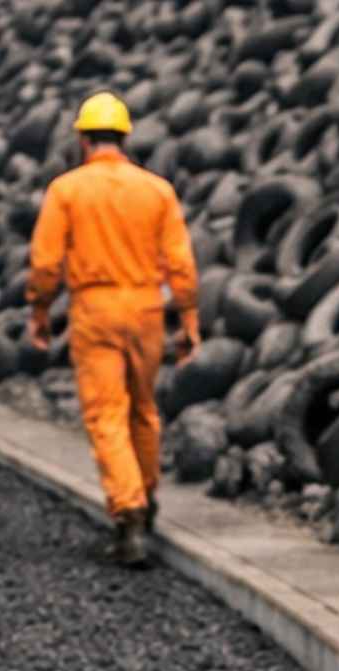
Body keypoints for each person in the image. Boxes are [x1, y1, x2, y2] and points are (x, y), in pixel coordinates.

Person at [27, 91, 201, 567]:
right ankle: (146, 495)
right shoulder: (157, 190)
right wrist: (188, 319)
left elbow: (45, 263)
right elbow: (181, 265)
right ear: (125, 137)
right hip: (146, 308)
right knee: (143, 410)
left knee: (107, 413)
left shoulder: (66, 190)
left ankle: (129, 513)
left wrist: (39, 312)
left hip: (95, 309)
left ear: (83, 139)